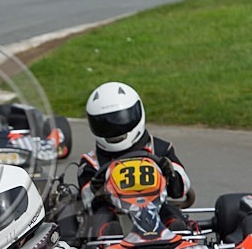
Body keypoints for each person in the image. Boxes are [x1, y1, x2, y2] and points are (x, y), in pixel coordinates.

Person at [78, 81, 191, 236]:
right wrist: (94, 189)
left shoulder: (159, 149)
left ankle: (178, 236)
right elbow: (86, 203)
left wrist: (171, 175)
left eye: (120, 120)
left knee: (170, 212)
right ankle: (108, 243)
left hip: (156, 208)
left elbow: (182, 190)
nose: (115, 129)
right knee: (102, 217)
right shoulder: (91, 161)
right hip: (114, 215)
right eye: (106, 124)